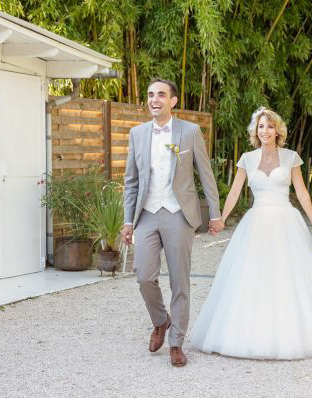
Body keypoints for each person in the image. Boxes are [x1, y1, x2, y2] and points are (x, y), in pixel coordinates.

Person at [188, 107, 312, 359]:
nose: (264, 130)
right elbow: (234, 192)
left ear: (278, 130)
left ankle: (297, 335)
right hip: (256, 221)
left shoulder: (290, 157)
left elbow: (302, 192)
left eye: (269, 126)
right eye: (260, 126)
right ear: (256, 131)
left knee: (289, 275)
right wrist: (221, 218)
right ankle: (247, 334)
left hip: (286, 220)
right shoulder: (246, 158)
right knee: (251, 275)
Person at [121, 78, 223, 367]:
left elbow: (206, 174)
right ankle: (160, 321)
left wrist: (214, 213)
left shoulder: (189, 131)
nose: (155, 99)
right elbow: (131, 182)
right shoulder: (137, 133)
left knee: (180, 280)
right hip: (147, 214)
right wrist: (128, 221)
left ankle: (176, 343)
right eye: (151, 94)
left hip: (179, 213)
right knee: (143, 275)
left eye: (161, 95)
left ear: (173, 101)